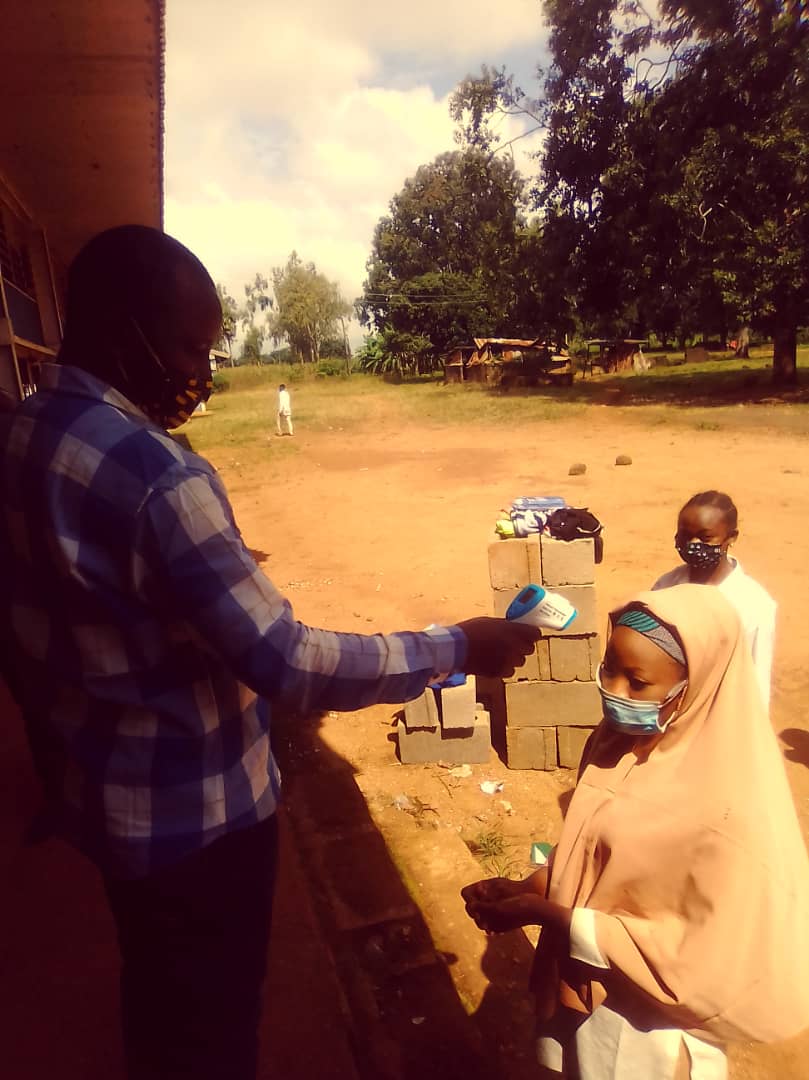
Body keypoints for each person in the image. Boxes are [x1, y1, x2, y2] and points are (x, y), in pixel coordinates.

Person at [0, 225, 541, 1080]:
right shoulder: (158, 476)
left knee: (158, 996)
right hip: (198, 826)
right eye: (188, 343)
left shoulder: (25, 429)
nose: (200, 369)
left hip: (102, 801)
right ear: (120, 325)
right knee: (211, 1029)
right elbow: (288, 663)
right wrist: (455, 645)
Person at [462, 585, 809, 1079]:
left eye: (638, 682)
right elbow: (598, 856)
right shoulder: (617, 743)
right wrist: (531, 888)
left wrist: (553, 917)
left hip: (646, 1032)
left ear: (695, 687)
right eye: (609, 669)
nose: (615, 692)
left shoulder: (728, 806)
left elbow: (700, 959)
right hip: (586, 993)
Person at [652, 490, 776, 710]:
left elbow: (757, 679)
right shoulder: (666, 587)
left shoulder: (754, 604)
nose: (693, 544)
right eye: (684, 535)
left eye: (705, 537)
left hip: (724, 713)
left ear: (731, 537)